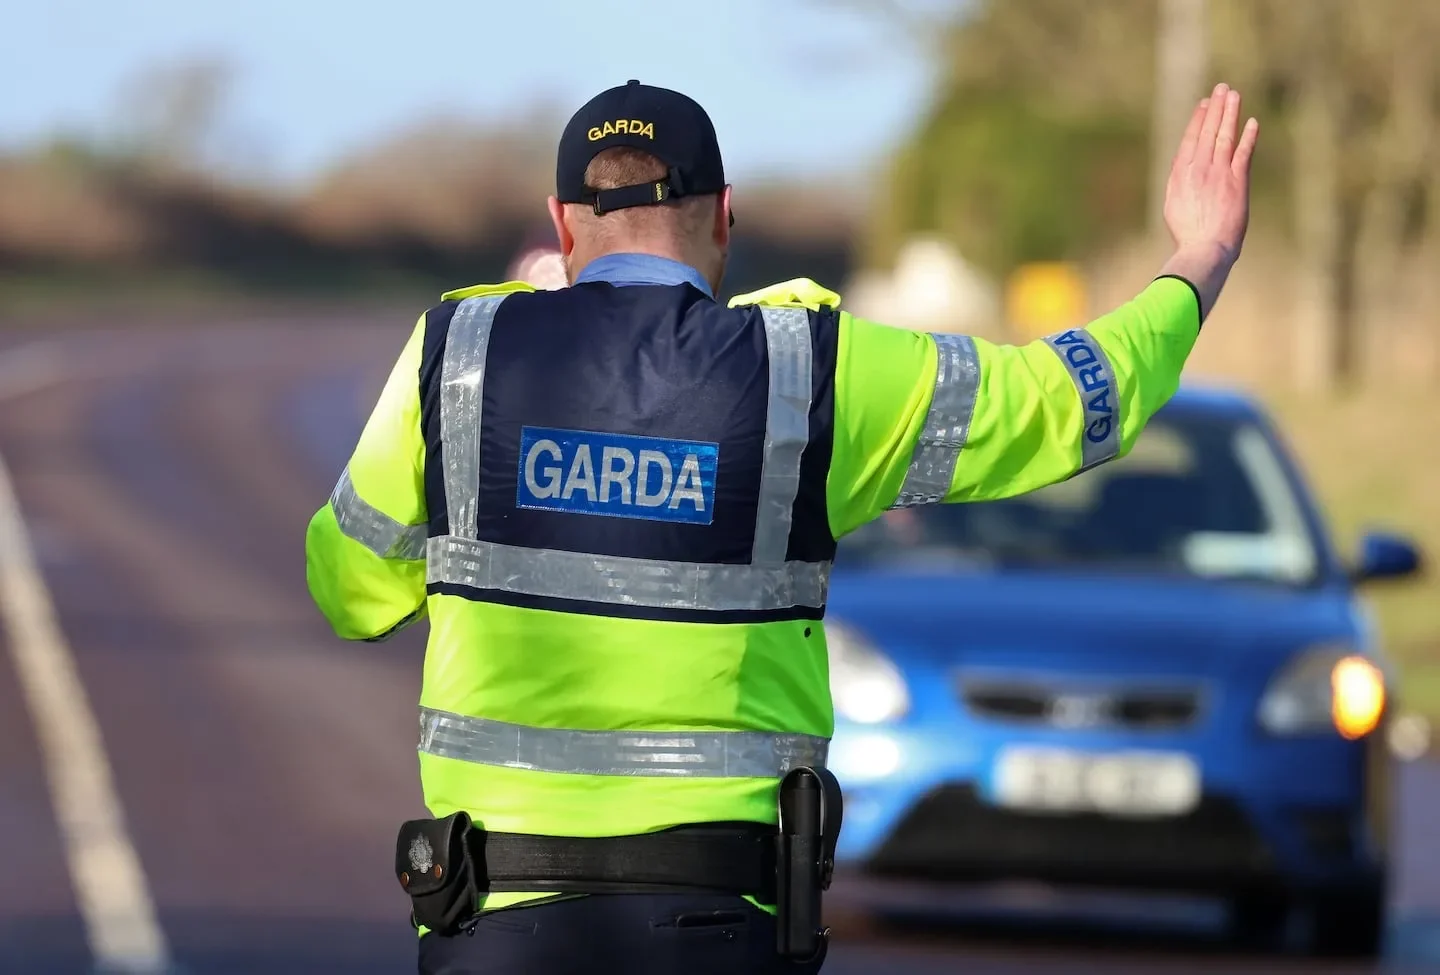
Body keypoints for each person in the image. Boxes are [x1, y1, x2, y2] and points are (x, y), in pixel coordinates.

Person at [304, 79, 1259, 974]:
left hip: (490, 922)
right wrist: (1198, 258)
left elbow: (349, 590)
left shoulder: (456, 353)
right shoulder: (810, 375)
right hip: (718, 926)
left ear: (561, 226)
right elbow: (1064, 403)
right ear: (724, 215)